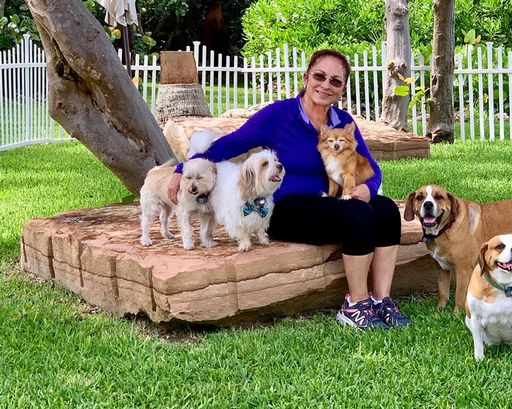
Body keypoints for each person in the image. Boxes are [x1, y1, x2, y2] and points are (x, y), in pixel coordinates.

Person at [167, 49, 410, 330]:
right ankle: (356, 304)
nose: (325, 85)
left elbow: (373, 170)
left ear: (342, 88)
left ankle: (382, 300)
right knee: (359, 215)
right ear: (306, 77)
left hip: (327, 204)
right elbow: (229, 144)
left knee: (387, 209)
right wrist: (180, 169)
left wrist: (369, 188)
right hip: (284, 209)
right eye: (319, 76)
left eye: (335, 81)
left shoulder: (343, 123)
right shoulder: (279, 115)